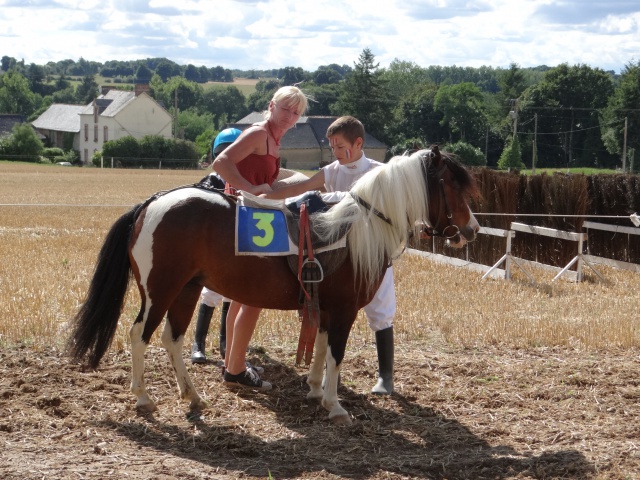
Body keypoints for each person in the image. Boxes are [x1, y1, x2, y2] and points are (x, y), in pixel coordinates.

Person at [264, 116, 396, 395]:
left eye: (339, 146)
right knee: (331, 311)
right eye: (331, 147)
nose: (334, 152)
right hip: (337, 255)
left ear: (358, 143)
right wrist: (262, 198)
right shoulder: (331, 171)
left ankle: (386, 377)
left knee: (381, 311)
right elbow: (298, 189)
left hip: (370, 254)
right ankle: (327, 374)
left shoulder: (380, 172)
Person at [212, 85, 308, 390]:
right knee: (255, 297)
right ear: (271, 105)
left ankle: (232, 362)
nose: (290, 116)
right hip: (250, 215)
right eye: (286, 109)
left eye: (296, 112)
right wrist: (248, 188)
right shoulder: (258, 134)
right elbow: (221, 163)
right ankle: (236, 370)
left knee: (241, 298)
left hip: (258, 214)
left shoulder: (272, 139)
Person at [191, 128, 242, 365]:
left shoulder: (247, 182)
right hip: (215, 249)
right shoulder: (210, 182)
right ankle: (198, 344)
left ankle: (225, 344)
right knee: (211, 294)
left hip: (239, 246)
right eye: (223, 153)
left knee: (234, 295)